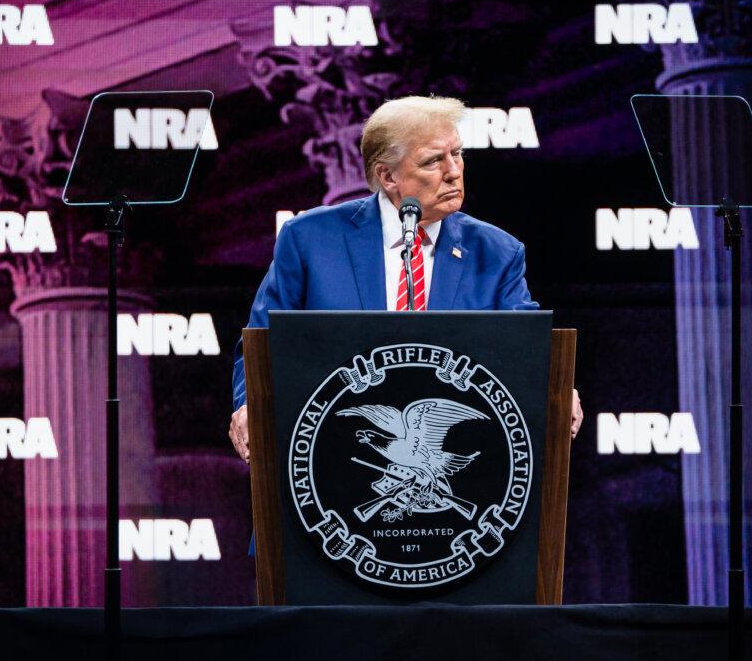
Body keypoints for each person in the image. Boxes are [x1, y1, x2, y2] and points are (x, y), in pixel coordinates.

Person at [228, 95, 582, 463]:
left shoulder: (496, 253)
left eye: (457, 154)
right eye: (433, 160)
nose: (453, 171)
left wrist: (555, 386)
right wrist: (250, 406)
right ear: (387, 176)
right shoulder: (309, 239)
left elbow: (526, 345)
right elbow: (261, 344)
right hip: (330, 452)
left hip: (446, 461)